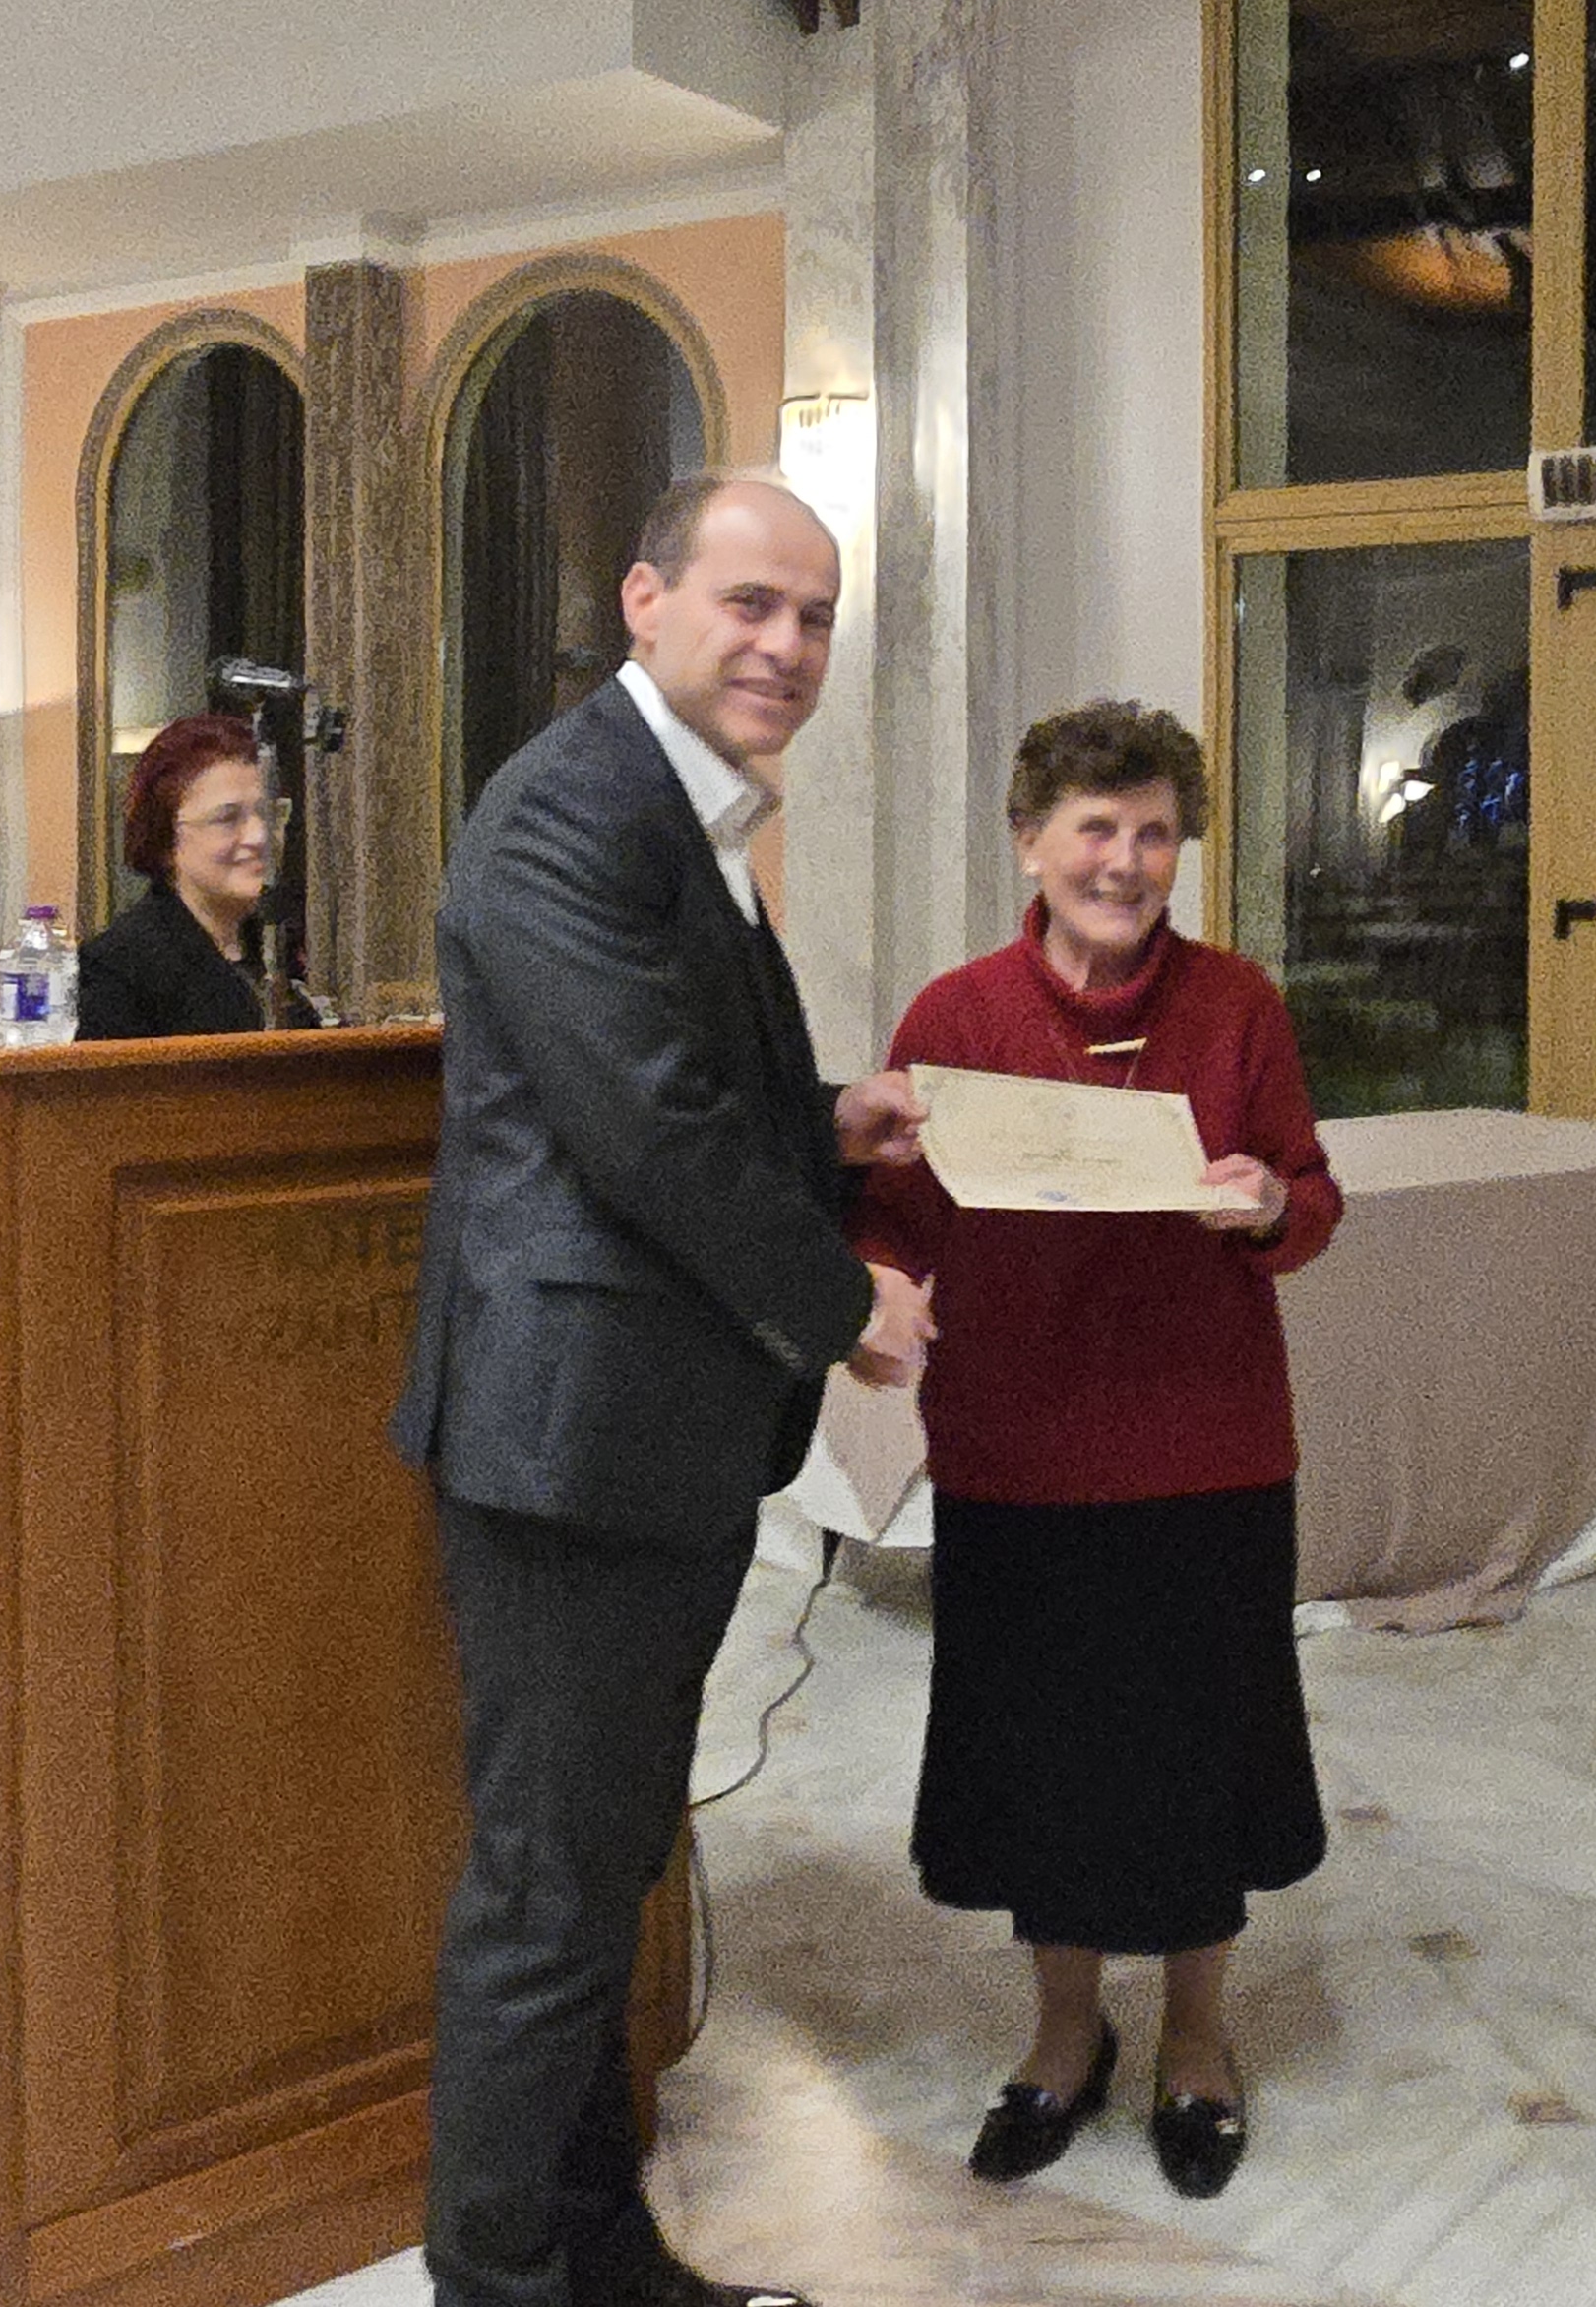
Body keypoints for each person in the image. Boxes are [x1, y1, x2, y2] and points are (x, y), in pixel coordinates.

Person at [393, 471, 936, 2307]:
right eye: (750, 603)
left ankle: (605, 2262)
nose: (786, 645)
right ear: (645, 599)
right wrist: (843, 1299)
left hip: (645, 1434)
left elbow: (674, 1084)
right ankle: (496, 2284)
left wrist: (827, 1121)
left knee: (605, 1876)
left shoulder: (683, 803)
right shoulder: (572, 805)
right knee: (549, 1903)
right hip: (571, 1444)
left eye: (815, 617)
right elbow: (646, 1130)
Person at [851, 700, 1341, 2201]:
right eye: (1095, 831)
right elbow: (891, 1216)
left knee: (1198, 1763)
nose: (1125, 862)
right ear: (1029, 843)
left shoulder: (1237, 1006)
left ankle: (1196, 2037)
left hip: (1205, 1448)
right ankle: (1065, 2032)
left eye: (1154, 834)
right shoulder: (954, 1020)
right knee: (1041, 1765)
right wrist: (874, 1287)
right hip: (1017, 1449)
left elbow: (1311, 1198)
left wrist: (1267, 1203)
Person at [78, 712, 284, 1038]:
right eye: (227, 818)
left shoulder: (277, 950)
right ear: (166, 839)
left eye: (268, 813)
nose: (259, 836)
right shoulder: (115, 972)